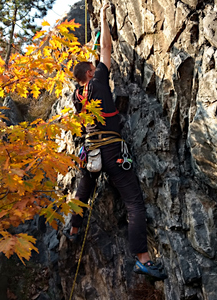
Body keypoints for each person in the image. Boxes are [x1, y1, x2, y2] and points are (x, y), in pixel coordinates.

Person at [65, 2, 167, 281]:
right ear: (89, 72)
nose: (97, 66)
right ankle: (143, 260)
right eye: (93, 67)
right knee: (133, 202)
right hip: (111, 149)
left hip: (90, 151)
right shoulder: (98, 80)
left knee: (83, 192)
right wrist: (102, 16)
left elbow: (94, 59)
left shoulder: (77, 96)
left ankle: (73, 230)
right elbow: (106, 50)